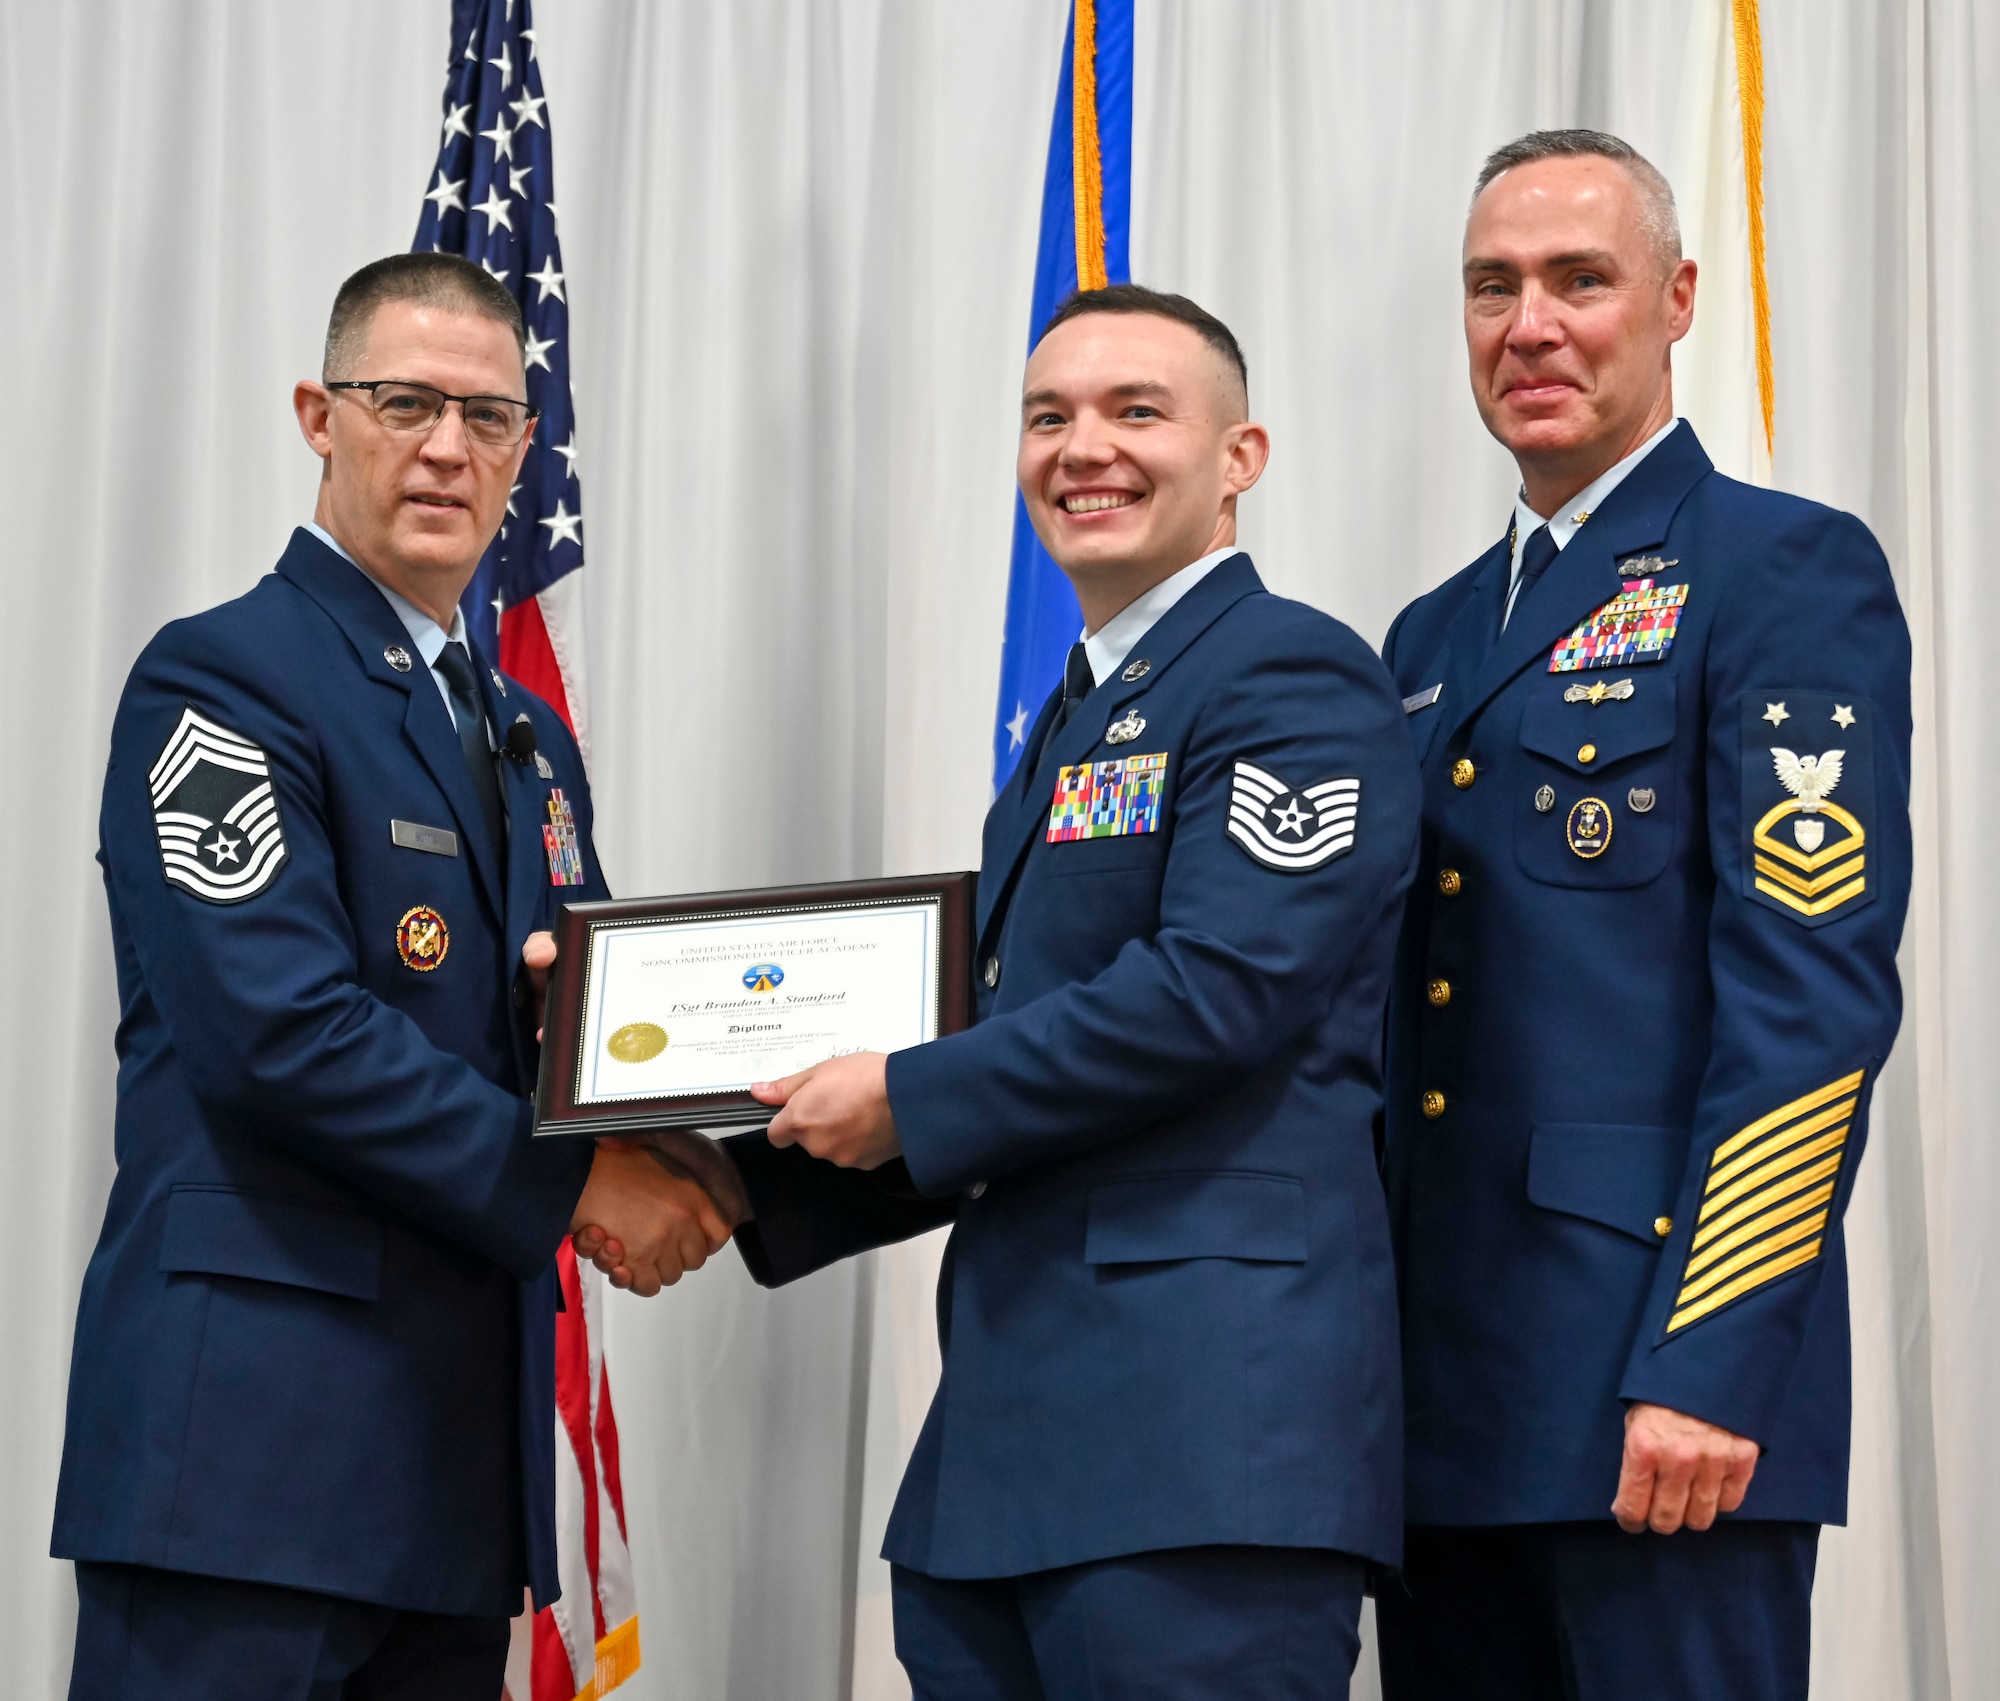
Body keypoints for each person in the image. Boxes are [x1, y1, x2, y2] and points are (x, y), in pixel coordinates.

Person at [580, 284, 1421, 1699]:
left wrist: (906, 1090)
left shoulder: (1293, 675)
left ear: (1242, 457)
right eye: (1049, 416)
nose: (1082, 446)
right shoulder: (1082, 717)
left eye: (1136, 411)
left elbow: (1219, 989)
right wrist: (737, 1182)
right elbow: (1021, 1055)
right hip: (1012, 1450)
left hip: (1202, 1446)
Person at [52, 253, 729, 1700]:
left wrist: (741, 1145)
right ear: (319, 412)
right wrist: (587, 1185)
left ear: (526, 450)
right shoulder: (222, 681)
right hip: (243, 1463)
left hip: (445, 1473)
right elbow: (281, 1035)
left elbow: (596, 1028)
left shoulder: (525, 737)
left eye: (488, 417)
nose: (446, 448)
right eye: (404, 401)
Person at [1372, 131, 1912, 1700]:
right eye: (1492, 287)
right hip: (1442, 1401)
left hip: (1657, 1393)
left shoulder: (1783, 567)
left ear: (1675, 300)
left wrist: (1712, 1360)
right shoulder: (1431, 629)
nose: (1528, 325)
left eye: (1577, 281)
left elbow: (1811, 1001)